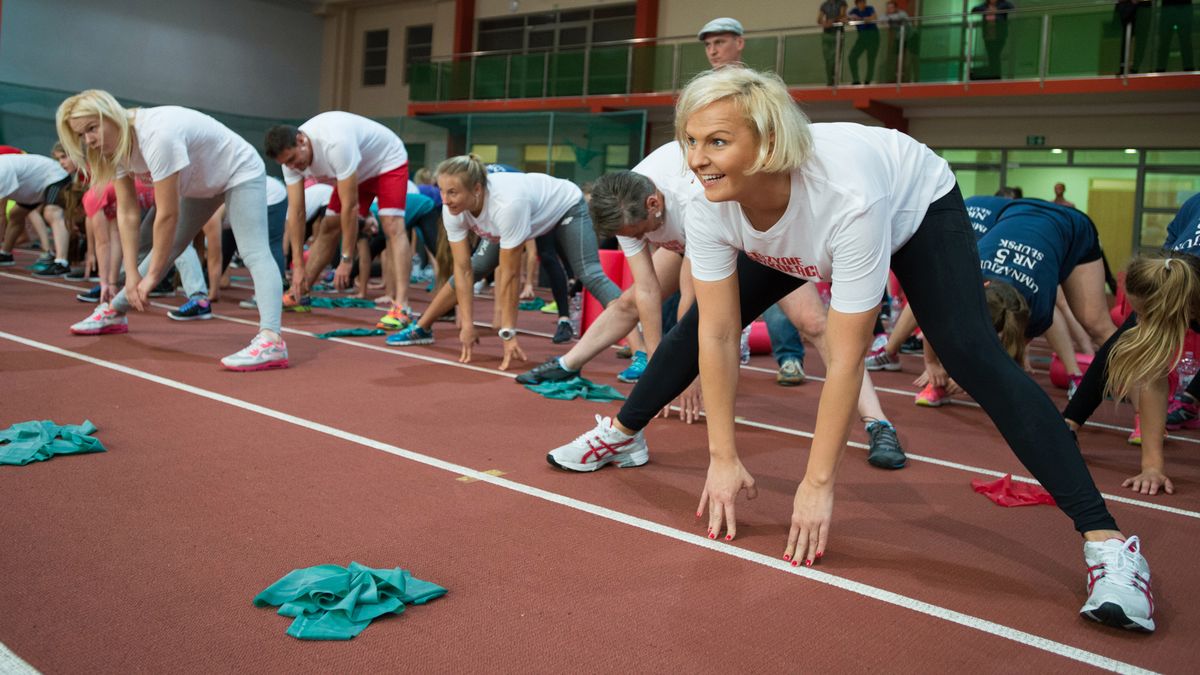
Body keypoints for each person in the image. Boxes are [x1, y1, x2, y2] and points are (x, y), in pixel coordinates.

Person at [675, 67, 1154, 631]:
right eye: (690, 140)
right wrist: (722, 458)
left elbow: (847, 356)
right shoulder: (704, 197)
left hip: (914, 200)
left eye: (717, 142)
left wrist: (817, 483)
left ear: (769, 143)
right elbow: (718, 332)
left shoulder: (848, 195)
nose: (696, 159)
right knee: (695, 331)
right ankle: (620, 432)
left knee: (972, 354)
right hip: (807, 216)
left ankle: (1109, 544)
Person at [57, 89, 287, 372]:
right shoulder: (112, 148)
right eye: (81, 135)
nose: (88, 140)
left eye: (92, 128)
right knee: (164, 250)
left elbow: (166, 215)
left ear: (112, 115)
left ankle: (272, 339)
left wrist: (152, 277)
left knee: (253, 251)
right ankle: (114, 312)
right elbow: (128, 214)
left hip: (238, 171)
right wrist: (130, 276)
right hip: (199, 183)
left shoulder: (157, 135)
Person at [387, 155, 623, 371]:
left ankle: (641, 348)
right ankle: (422, 327)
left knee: (589, 272)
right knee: (475, 266)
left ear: (476, 189)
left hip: (565, 206)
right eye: (442, 191)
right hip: (515, 218)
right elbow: (463, 270)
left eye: (453, 193)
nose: (445, 200)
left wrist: (508, 333)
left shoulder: (507, 205)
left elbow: (509, 275)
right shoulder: (453, 209)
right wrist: (467, 325)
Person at [915, 200, 1118, 407]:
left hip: (1071, 226)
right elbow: (935, 319)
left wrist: (973, 377)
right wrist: (932, 363)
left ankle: (1143, 411)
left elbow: (1005, 356)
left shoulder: (1035, 309)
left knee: (1096, 324)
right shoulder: (960, 280)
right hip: (1016, 212)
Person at [1065, 192, 1200, 496]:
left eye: (1145, 313)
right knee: (1132, 339)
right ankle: (1070, 421)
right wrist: (1152, 465)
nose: (1139, 319)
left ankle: (1191, 398)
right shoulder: (1172, 276)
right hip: (1192, 233)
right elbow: (1153, 375)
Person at [700, 17, 810, 386]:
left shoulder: (758, 89)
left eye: (720, 42)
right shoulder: (702, 91)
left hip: (763, 207)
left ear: (739, 43)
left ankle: (791, 358)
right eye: (708, 44)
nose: (713, 50)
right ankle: (678, 363)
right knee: (689, 292)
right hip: (713, 206)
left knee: (788, 293)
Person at [264, 112, 414, 331]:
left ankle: (402, 306)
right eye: (287, 163)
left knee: (392, 224)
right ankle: (300, 293)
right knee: (328, 227)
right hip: (356, 171)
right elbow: (297, 213)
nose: (293, 166)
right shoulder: (290, 163)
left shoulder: (335, 143)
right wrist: (296, 267)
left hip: (387, 161)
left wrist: (346, 259)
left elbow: (351, 207)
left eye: (293, 159)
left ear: (301, 141)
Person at [0, 153, 72, 276]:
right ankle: (5, 255)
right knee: (15, 214)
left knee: (51, 212)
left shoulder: (2, 170)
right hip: (34, 188)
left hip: (56, 177)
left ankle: (61, 263)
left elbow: (1, 214)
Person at [971, 0, 1015, 80]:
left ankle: (996, 76)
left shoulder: (1003, 4)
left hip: (1000, 35)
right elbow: (974, 9)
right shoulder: (985, 5)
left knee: (996, 55)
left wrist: (997, 11)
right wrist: (987, 11)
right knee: (991, 56)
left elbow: (1011, 7)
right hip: (988, 36)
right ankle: (993, 76)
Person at [847, 0, 880, 84]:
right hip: (862, 37)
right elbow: (847, 18)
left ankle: (868, 80)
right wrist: (851, 17)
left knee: (871, 59)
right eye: (860, 3)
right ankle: (856, 79)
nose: (862, 4)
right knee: (852, 57)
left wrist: (861, 18)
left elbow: (873, 18)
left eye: (863, 2)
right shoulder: (854, 11)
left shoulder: (869, 8)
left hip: (873, 36)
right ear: (857, 4)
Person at [1114, 0, 1152, 74]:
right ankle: (1122, 68)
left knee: (1141, 41)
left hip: (1142, 8)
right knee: (1123, 41)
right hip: (1125, 8)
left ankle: (1136, 68)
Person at [1155, 0, 1194, 72]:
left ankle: (1189, 69)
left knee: (1185, 42)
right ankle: (1160, 69)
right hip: (1171, 8)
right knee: (1165, 42)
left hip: (1181, 8)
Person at [818, 0, 850, 85]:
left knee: (835, 59)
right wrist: (824, 23)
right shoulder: (824, 5)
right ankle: (830, 81)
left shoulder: (841, 3)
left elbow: (842, 15)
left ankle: (835, 81)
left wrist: (832, 21)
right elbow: (819, 19)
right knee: (828, 59)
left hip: (838, 33)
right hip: (827, 34)